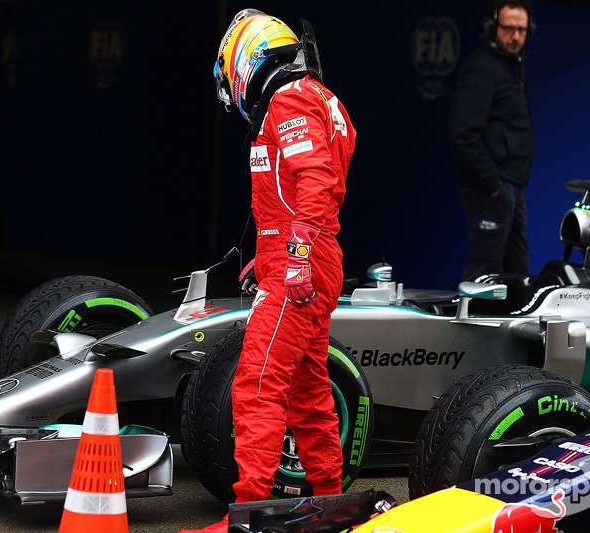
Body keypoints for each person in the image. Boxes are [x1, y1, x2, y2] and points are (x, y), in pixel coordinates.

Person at [181, 9, 356, 533]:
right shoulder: (317, 97)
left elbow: (316, 178)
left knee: (256, 383)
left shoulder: (288, 100)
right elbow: (302, 188)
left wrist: (295, 252)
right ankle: (331, 504)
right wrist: (272, 250)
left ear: (247, 60)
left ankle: (248, 515)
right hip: (307, 259)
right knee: (308, 393)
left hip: (300, 266)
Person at [449, 0, 535, 280]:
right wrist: (493, 184)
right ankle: (471, 324)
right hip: (492, 188)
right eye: (509, 28)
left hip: (511, 185)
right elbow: (463, 132)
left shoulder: (510, 67)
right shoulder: (482, 68)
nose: (516, 36)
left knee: (516, 271)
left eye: (522, 30)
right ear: (492, 27)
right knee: (485, 272)